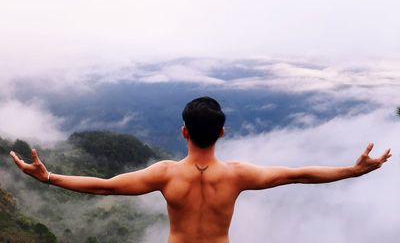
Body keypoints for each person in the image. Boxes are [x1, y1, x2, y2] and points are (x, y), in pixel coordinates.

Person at [10, 96, 391, 243]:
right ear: (222, 132)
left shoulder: (165, 174)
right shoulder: (239, 174)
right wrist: (353, 171)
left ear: (183, 131)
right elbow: (298, 173)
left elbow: (105, 187)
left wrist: (49, 177)